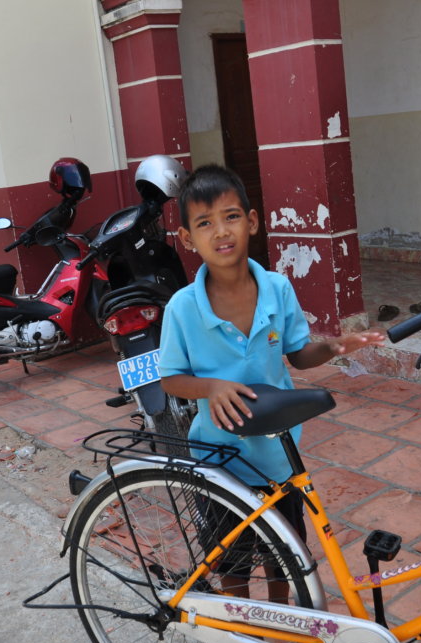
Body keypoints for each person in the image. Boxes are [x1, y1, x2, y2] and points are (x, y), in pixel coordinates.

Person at [158, 164, 385, 608]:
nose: (221, 232)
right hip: (217, 458)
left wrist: (337, 346)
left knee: (284, 550)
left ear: (253, 221)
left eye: (231, 216)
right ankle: (246, 621)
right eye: (205, 223)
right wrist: (211, 388)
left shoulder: (278, 288)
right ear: (187, 238)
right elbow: (171, 378)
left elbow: (298, 353)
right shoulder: (182, 308)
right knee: (231, 558)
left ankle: (280, 612)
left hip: (278, 457)